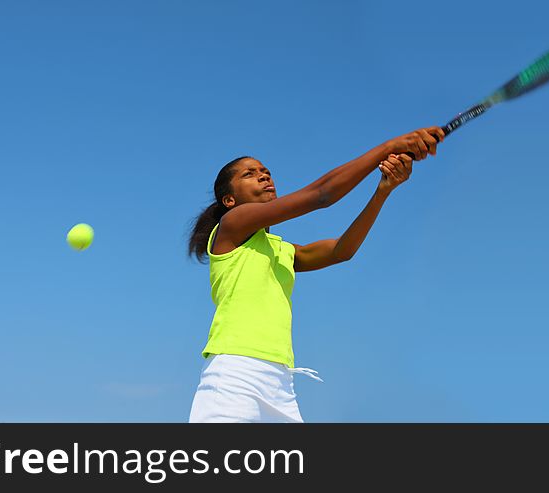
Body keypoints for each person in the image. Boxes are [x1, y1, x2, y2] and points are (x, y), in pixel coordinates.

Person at [187, 127, 445, 422]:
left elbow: (340, 251)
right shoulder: (232, 225)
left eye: (265, 170)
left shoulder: (281, 250)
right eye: (249, 174)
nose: (263, 175)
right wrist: (391, 146)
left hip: (280, 382)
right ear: (229, 200)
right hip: (235, 374)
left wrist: (382, 191)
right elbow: (321, 195)